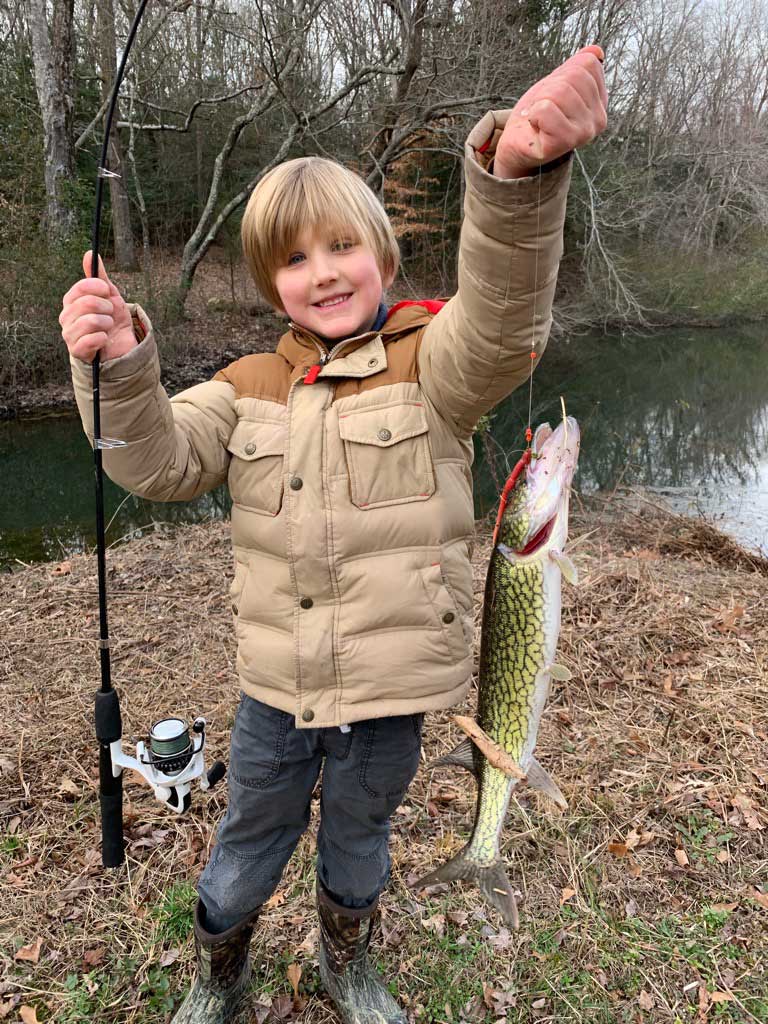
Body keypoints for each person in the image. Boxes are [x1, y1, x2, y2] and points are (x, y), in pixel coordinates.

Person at [60, 45, 607, 1024]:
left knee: (360, 849)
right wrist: (119, 365)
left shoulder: (436, 371)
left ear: (384, 259)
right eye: (294, 257)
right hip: (275, 701)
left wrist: (517, 177)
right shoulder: (240, 392)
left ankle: (347, 962)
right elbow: (151, 460)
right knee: (241, 854)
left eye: (342, 247)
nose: (323, 273)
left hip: (391, 709)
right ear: (272, 284)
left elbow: (503, 320)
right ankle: (215, 974)